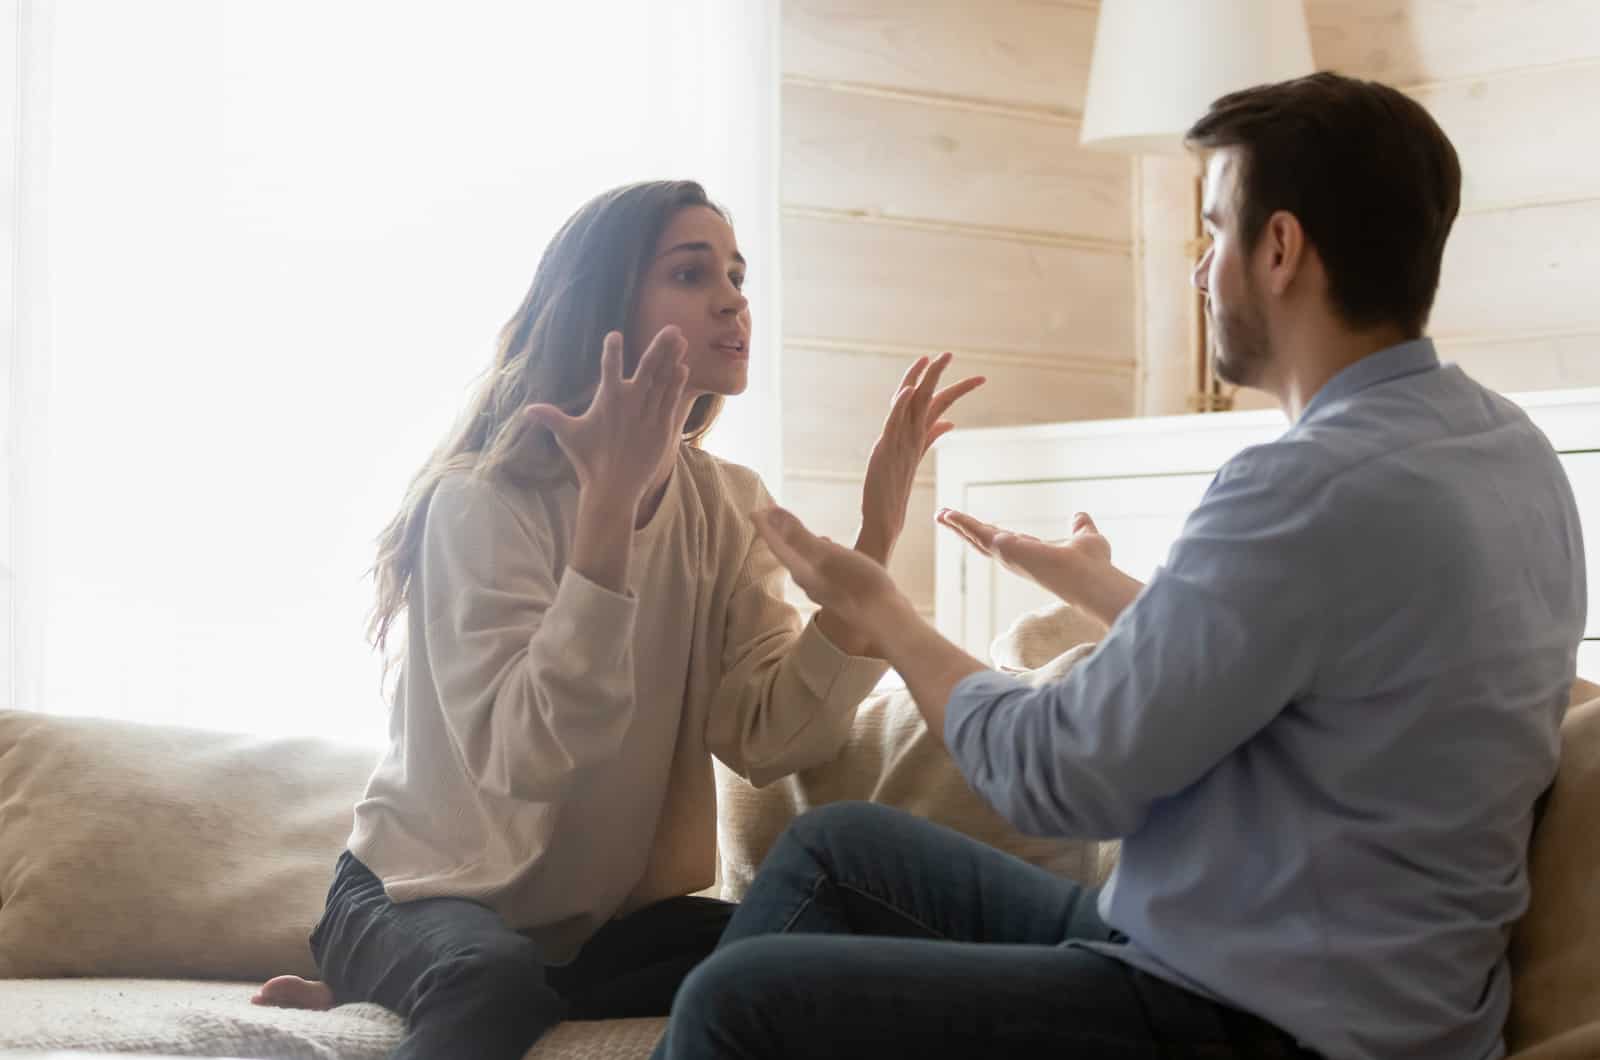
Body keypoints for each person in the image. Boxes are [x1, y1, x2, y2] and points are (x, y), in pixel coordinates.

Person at [652, 73, 1588, 1060]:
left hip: (1249, 1023)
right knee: (835, 851)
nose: (1200, 272)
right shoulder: (1508, 450)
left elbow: (1061, 774)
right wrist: (1102, 590)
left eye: (1213, 231)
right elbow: (1333, 669)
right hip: (1293, 975)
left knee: (738, 1004)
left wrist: (886, 616)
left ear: (1278, 250)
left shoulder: (1305, 484)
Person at [251, 179, 984, 1059]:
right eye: (690, 273)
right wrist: (606, 514)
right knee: (492, 981)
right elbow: (530, 762)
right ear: (605, 306)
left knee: (827, 955)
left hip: (598, 931)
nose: (732, 300)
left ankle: (399, 991)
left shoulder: (728, 504)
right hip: (421, 895)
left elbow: (767, 736)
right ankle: (397, 971)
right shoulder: (482, 500)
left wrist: (873, 543)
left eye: (737, 275)